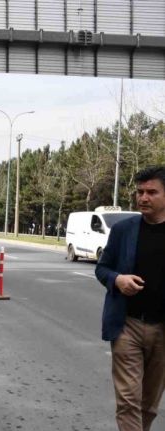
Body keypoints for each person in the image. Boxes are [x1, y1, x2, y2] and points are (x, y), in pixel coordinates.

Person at [96, 166, 165, 431]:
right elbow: (102, 268)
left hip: (162, 329)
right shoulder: (123, 230)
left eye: (151, 192)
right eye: (140, 192)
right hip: (127, 325)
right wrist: (117, 280)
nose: (143, 198)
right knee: (127, 401)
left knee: (149, 404)